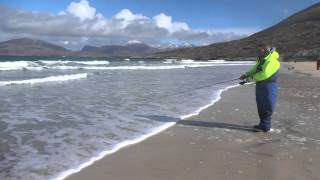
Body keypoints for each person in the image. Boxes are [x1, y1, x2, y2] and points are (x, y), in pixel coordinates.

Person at [239, 45, 280, 132]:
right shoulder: (261, 61)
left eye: (260, 50)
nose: (258, 52)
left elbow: (264, 75)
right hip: (260, 86)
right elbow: (254, 70)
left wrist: (249, 79)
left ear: (266, 51)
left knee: (268, 105)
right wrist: (246, 75)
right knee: (260, 105)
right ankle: (262, 124)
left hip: (269, 86)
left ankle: (266, 127)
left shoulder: (272, 61)